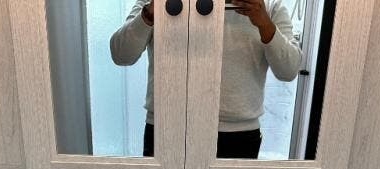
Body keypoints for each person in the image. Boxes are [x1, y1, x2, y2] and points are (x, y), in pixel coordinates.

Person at [110, 0, 301, 159]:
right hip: (168, 126)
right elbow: (121, 55)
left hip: (238, 134)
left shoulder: (269, 6)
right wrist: (149, 14)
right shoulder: (156, 2)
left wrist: (265, 24)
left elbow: (289, 70)